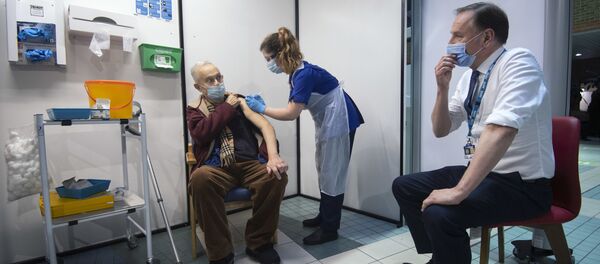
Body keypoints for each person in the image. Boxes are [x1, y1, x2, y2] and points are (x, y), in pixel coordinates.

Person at [391, 3, 554, 264]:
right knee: (404, 186)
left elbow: (501, 129)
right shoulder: (470, 78)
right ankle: (443, 257)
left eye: (458, 35)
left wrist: (458, 192)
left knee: (439, 214)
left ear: (486, 37)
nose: (450, 42)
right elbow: (441, 129)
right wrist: (442, 89)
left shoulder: (519, 62)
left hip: (522, 187)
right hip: (486, 175)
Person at [244, 27, 364, 245]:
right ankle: (324, 216)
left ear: (280, 54)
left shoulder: (304, 74)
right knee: (324, 169)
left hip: (340, 119)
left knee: (332, 173)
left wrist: (262, 108)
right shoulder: (297, 73)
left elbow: (291, 114)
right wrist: (263, 107)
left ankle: (330, 229)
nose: (268, 64)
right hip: (329, 119)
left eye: (269, 58)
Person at [187, 61, 289, 264]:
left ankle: (259, 243)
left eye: (219, 77)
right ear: (199, 87)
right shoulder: (195, 110)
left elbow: (265, 126)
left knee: (276, 176)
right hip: (217, 168)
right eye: (210, 80)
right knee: (199, 179)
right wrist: (226, 108)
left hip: (250, 163)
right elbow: (202, 134)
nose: (217, 82)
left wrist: (273, 156)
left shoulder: (238, 101)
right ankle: (221, 253)